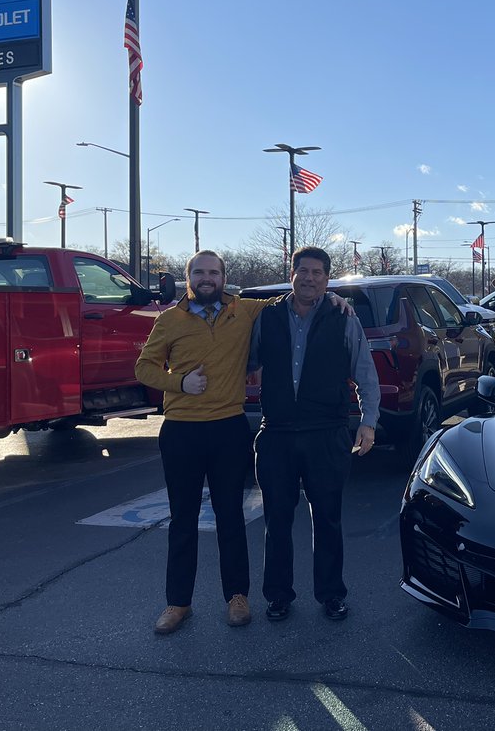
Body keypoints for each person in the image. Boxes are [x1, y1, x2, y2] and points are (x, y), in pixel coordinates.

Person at [134, 250, 351, 635]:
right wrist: (179, 382)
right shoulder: (169, 320)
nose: (207, 278)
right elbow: (144, 368)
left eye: (213, 273)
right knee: (182, 519)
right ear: (189, 278)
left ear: (223, 278)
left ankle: (237, 597)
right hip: (181, 430)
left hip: (229, 429)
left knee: (231, 517)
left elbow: (297, 296)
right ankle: (178, 603)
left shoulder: (246, 310)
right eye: (199, 272)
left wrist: (333, 296)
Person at [249, 246, 381, 623]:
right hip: (277, 433)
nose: (309, 278)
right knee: (276, 521)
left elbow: (365, 372)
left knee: (327, 519)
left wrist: (368, 422)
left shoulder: (343, 316)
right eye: (303, 271)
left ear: (327, 279)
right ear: (291, 274)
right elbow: (246, 361)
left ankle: (331, 594)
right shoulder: (267, 316)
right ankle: (278, 596)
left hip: (327, 433)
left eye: (317, 273)